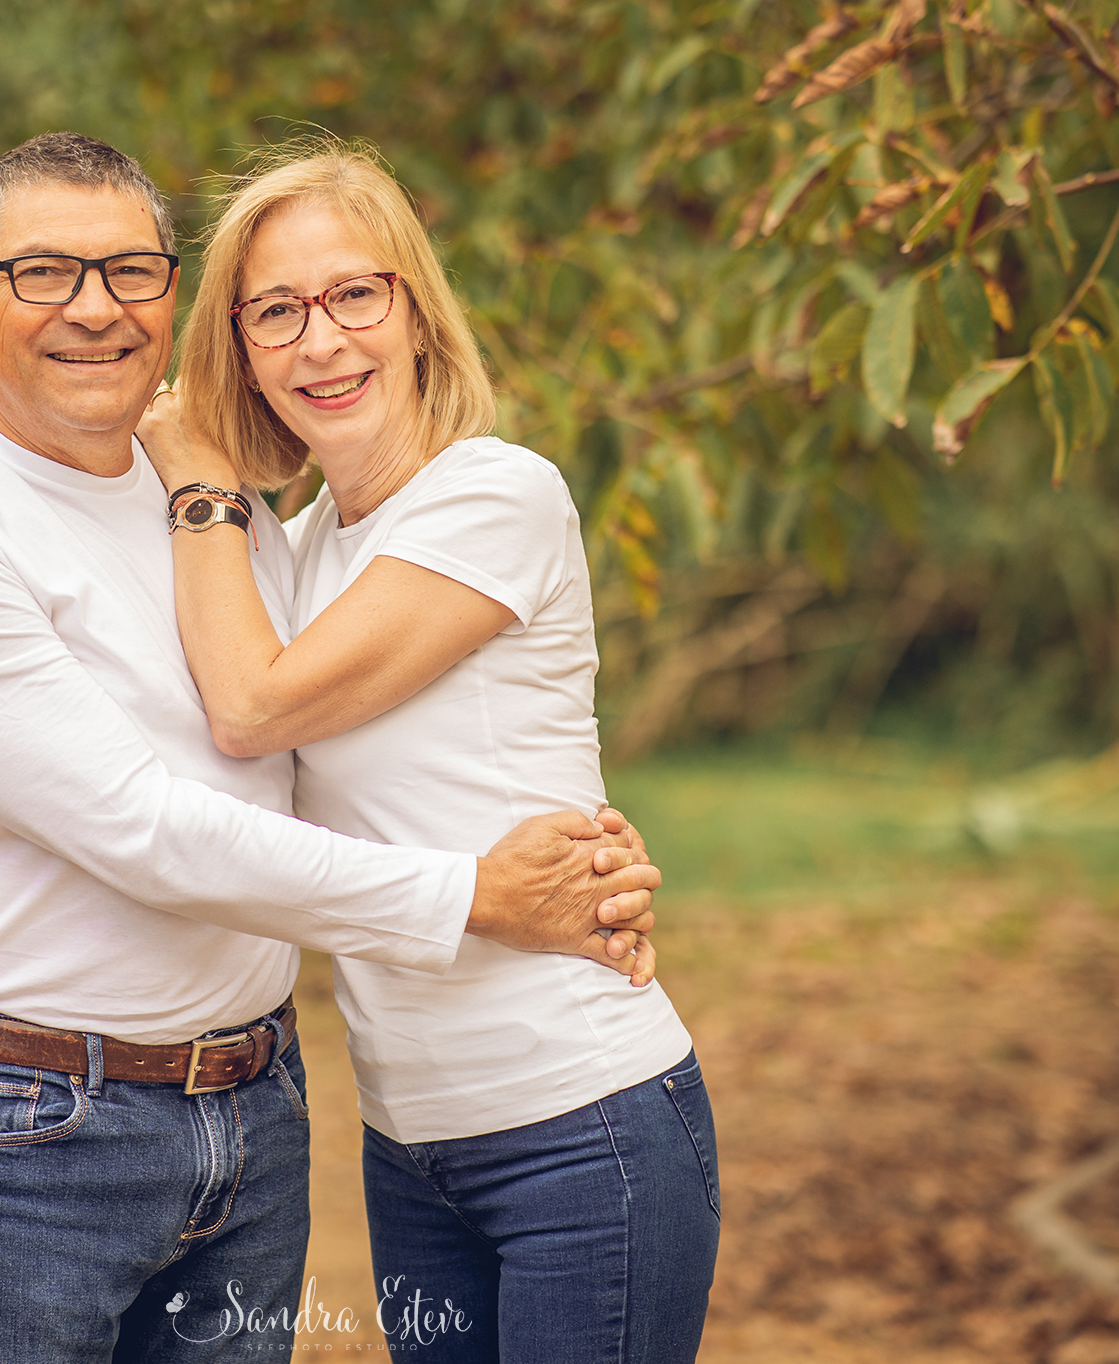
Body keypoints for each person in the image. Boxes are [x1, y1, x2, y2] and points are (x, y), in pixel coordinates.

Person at [0, 131, 665, 1363]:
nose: (95, 310)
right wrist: (480, 892)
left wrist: (582, 857)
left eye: (130, 272)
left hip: (255, 1126)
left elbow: (329, 768)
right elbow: (148, 829)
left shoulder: (226, 519)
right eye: (45, 274)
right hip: (32, 1141)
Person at [135, 141, 719, 1364]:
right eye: (278, 311)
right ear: (241, 345)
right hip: (408, 1144)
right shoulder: (296, 553)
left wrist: (197, 481)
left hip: (583, 1116)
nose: (323, 340)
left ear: (415, 313)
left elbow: (251, 706)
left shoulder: (496, 495)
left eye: (357, 294)